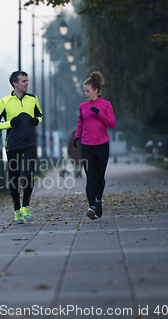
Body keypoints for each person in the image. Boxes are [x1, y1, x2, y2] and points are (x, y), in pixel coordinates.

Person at [0, 71, 42, 224]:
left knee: (28, 173)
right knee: (14, 177)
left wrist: (36, 121)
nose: (27, 83)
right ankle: (16, 209)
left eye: (27, 81)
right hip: (13, 144)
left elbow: (39, 115)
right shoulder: (5, 102)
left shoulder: (33, 98)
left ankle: (26, 205)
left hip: (30, 143)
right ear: (15, 84)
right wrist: (10, 124)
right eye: (24, 81)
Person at [73, 71, 116, 220]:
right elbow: (81, 122)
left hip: (102, 145)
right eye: (84, 91)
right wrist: (77, 136)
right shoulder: (83, 106)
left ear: (96, 90)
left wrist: (99, 114)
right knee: (90, 177)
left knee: (99, 177)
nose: (85, 94)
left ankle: (98, 201)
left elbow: (112, 123)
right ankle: (91, 207)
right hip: (87, 145)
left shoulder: (106, 105)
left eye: (87, 91)